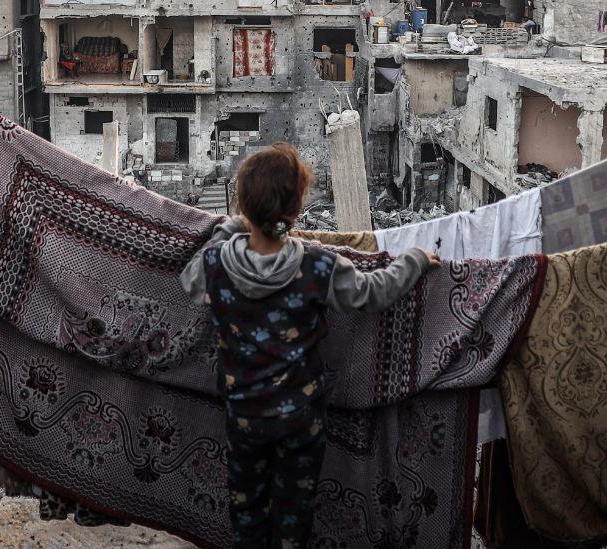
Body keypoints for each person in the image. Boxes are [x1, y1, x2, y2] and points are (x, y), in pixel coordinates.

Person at [180, 142, 440, 548]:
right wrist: (415, 260)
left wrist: (230, 227)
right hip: (300, 420)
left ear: (245, 208)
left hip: (243, 416)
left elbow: (189, 280)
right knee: (294, 516)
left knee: (246, 514)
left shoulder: (215, 264)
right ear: (297, 210)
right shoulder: (317, 265)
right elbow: (372, 292)